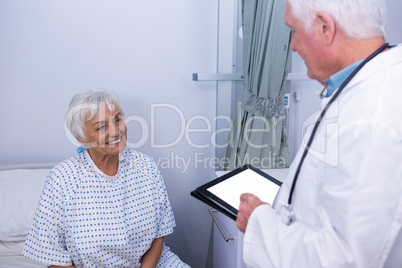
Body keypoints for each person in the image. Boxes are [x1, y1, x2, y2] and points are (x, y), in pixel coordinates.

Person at [236, 0, 402, 267]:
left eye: (294, 31)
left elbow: (344, 259)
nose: (291, 45)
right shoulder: (364, 86)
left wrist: (259, 221)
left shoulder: (374, 116)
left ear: (326, 27)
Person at [23, 91, 190, 268]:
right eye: (101, 127)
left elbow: (159, 233)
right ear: (81, 138)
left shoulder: (145, 166)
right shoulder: (61, 180)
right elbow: (53, 256)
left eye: (118, 120)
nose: (116, 132)